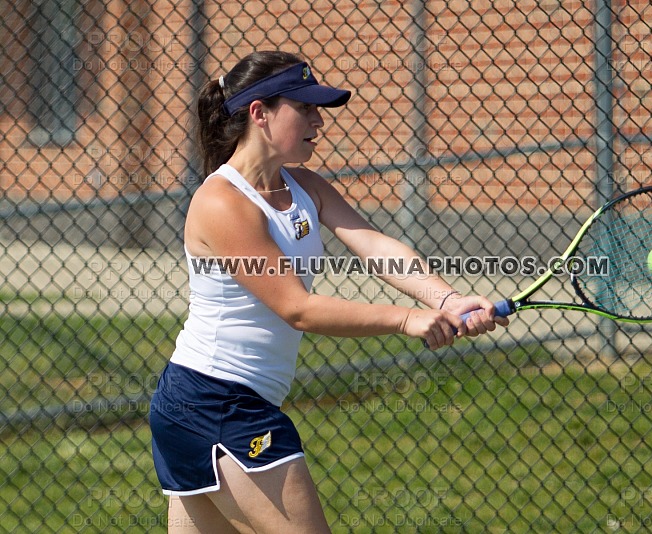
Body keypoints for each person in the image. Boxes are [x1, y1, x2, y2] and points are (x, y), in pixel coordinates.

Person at [149, 50, 507, 533]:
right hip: (217, 404)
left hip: (212, 404)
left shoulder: (304, 186)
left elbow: (374, 246)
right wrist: (405, 319)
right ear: (260, 113)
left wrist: (445, 299)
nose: (319, 120)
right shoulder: (221, 202)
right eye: (306, 108)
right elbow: (297, 308)